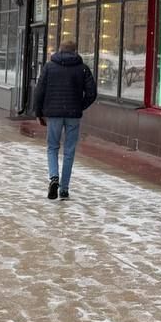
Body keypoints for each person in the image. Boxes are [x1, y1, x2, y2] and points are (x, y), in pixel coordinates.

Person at [32, 40, 97, 201]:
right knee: (69, 151)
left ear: (59, 50)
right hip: (73, 115)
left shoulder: (49, 67)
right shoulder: (82, 68)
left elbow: (39, 91)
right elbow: (92, 93)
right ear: (75, 51)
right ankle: (64, 189)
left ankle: (54, 177)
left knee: (52, 147)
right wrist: (79, 106)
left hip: (54, 114)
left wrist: (39, 113)